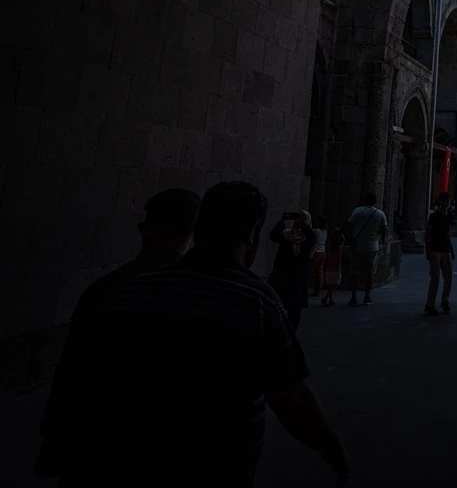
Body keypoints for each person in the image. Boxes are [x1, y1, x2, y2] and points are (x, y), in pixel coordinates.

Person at [38, 181, 350, 486]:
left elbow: (79, 375)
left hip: (117, 460)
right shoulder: (256, 301)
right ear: (251, 232)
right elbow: (290, 396)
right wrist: (333, 451)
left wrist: (57, 445)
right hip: (212, 465)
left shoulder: (130, 290)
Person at [37, 188, 200, 479]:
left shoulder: (107, 289)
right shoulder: (208, 295)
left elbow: (73, 370)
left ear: (148, 228)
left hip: (97, 442)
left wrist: (55, 437)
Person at [268, 210, 316, 329]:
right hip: (283, 276)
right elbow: (273, 235)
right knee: (278, 306)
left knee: (294, 312)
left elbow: (312, 239)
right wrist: (282, 221)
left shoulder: (307, 237)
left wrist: (304, 225)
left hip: (298, 278)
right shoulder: (286, 234)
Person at [346, 192, 388, 306]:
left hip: (357, 246)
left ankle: (353, 297)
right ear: (375, 201)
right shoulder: (380, 214)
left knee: (354, 272)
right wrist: (383, 240)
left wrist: (351, 237)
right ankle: (367, 296)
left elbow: (349, 224)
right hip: (372, 246)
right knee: (369, 272)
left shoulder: (358, 211)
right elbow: (384, 228)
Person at [424, 192, 455, 316]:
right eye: (444, 201)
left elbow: (448, 233)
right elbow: (428, 234)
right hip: (435, 249)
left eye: (448, 201)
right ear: (439, 201)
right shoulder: (434, 216)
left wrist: (451, 249)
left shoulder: (449, 216)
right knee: (435, 278)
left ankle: (445, 300)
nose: (446, 203)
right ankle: (429, 304)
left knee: (449, 277)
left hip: (445, 249)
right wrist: (428, 251)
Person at [321, 225, 346, 306]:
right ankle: (326, 297)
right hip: (336, 267)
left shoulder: (329, 246)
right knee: (335, 283)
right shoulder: (338, 248)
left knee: (330, 283)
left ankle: (330, 299)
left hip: (328, 266)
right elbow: (343, 241)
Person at [309, 216, 328, 297]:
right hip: (323, 252)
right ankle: (318, 290)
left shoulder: (316, 231)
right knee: (320, 273)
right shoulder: (325, 231)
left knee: (310, 270)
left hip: (316, 253)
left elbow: (308, 231)